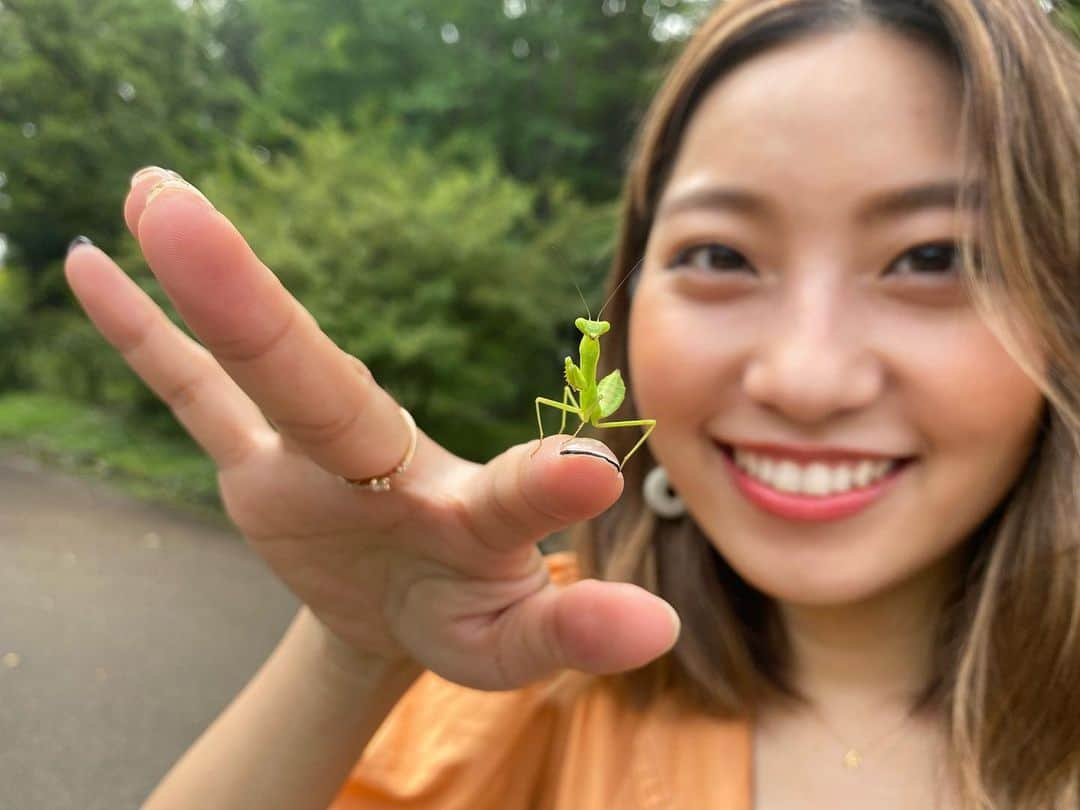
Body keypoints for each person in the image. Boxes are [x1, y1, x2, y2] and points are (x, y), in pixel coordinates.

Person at [63, 0, 1078, 808]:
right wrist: (349, 657)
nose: (801, 380)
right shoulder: (531, 669)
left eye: (937, 258)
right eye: (718, 256)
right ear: (632, 306)